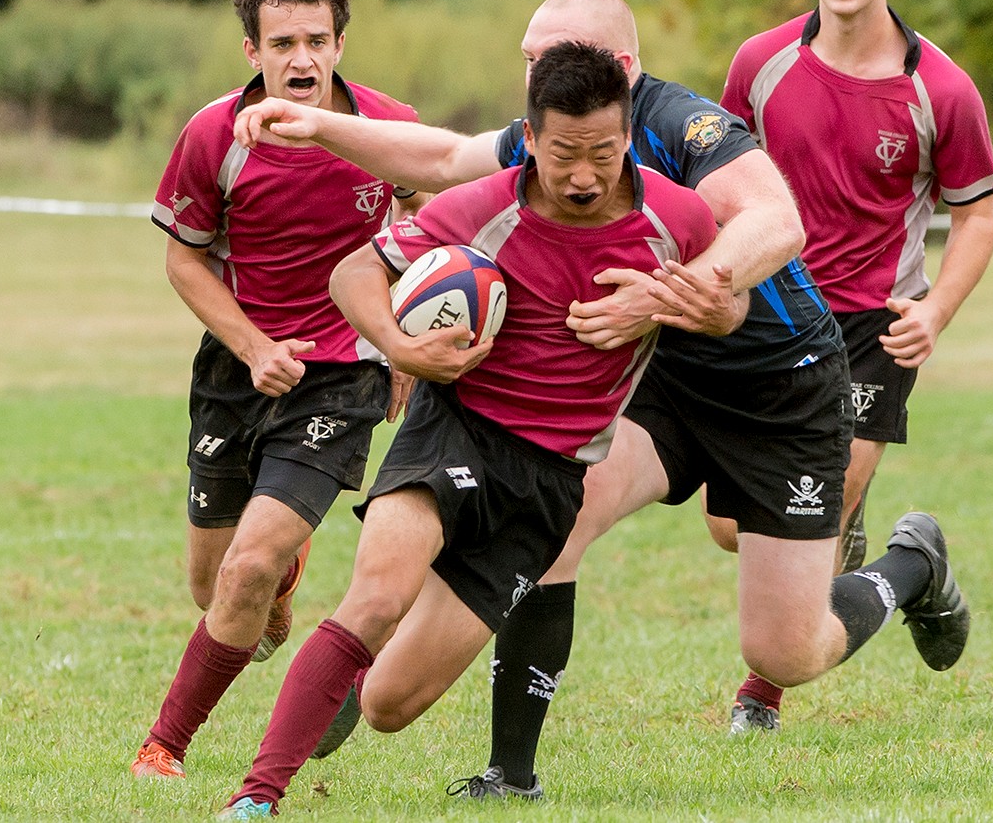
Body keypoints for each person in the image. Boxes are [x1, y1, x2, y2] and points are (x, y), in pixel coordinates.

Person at [233, 0, 968, 801]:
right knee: (565, 515)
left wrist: (675, 287)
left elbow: (775, 220)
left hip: (779, 390)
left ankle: (912, 564)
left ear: (619, 69)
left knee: (784, 651)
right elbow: (444, 161)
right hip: (664, 374)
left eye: (544, 60)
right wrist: (321, 125)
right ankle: (512, 774)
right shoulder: (563, 128)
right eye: (528, 65)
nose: (534, 78)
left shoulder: (685, 126)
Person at [213, 40, 721, 819]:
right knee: (377, 597)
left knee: (387, 706)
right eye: (563, 155)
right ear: (531, 136)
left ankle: (348, 678)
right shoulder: (481, 208)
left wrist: (700, 306)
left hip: (550, 482)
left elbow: (732, 303)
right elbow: (355, 273)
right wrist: (401, 346)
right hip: (454, 428)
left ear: (627, 137)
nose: (584, 175)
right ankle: (257, 797)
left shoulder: (675, 218)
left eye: (603, 153)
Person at [129, 0, 424, 781]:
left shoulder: (388, 128)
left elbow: (427, 234)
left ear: (339, 43)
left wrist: (400, 340)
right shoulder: (213, 134)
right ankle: (280, 579)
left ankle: (165, 746)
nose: (303, 59)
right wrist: (254, 346)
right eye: (283, 42)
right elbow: (185, 262)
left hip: (345, 371)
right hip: (238, 367)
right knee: (215, 584)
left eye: (319, 40)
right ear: (251, 51)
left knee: (247, 566)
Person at [716, 0, 993, 730]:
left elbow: (977, 212)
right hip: (766, 314)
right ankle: (914, 564)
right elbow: (717, 178)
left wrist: (935, 309)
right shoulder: (760, 64)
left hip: (872, 326)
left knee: (814, 508)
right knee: (731, 530)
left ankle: (760, 696)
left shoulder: (941, 88)